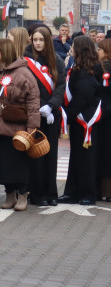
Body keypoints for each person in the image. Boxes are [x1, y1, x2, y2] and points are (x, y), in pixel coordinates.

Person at [0, 38, 41, 211]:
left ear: (6, 52)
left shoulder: (24, 74)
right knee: (1, 165)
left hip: (16, 129)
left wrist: (32, 126)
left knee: (18, 164)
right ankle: (9, 194)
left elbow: (33, 102)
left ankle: (22, 194)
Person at [23, 25, 67, 206]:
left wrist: (51, 106)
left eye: (41, 40)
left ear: (47, 41)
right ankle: (37, 194)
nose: (38, 43)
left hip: (50, 115)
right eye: (35, 40)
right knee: (35, 156)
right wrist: (40, 107)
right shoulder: (25, 61)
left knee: (50, 155)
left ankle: (51, 194)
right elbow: (25, 87)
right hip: (33, 114)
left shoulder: (57, 61)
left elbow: (61, 86)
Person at [59, 35, 102, 205]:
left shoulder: (87, 70)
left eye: (74, 46)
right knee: (76, 157)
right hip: (79, 118)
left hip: (86, 119)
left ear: (81, 49)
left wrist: (68, 113)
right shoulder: (80, 67)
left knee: (87, 159)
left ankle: (87, 194)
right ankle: (73, 191)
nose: (71, 48)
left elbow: (83, 95)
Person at [96, 39, 111, 201]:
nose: (97, 52)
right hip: (100, 118)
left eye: (100, 50)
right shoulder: (98, 69)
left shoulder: (105, 70)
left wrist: (104, 111)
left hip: (105, 117)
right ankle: (102, 190)